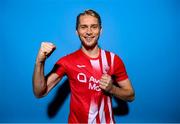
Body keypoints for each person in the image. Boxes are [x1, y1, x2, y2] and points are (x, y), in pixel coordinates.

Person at [33, 9, 135, 123]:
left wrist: (112, 89)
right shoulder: (67, 61)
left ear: (100, 30)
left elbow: (130, 95)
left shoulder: (113, 60)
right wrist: (40, 62)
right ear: (77, 31)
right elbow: (39, 92)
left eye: (94, 27)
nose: (89, 31)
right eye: (83, 27)